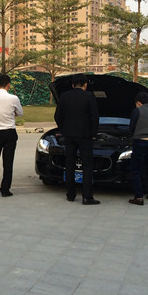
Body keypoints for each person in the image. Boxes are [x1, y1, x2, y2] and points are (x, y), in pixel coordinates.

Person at [54, 74, 100, 205]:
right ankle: (87, 197)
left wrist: (63, 129)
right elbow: (94, 116)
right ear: (85, 85)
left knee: (69, 164)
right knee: (87, 166)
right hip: (85, 135)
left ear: (72, 85)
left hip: (69, 135)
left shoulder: (64, 96)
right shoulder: (89, 96)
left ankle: (70, 194)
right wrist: (93, 133)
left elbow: (57, 116)